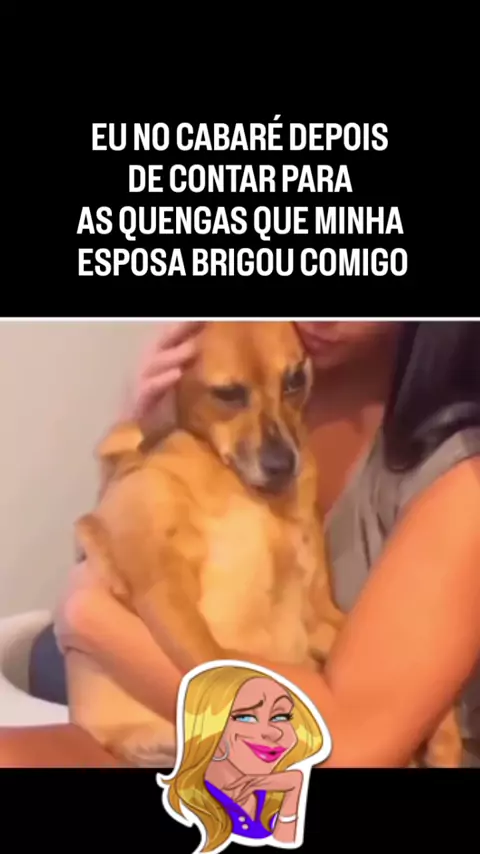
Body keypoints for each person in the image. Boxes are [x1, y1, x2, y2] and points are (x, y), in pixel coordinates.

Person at [0, 320, 479, 768]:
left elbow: (350, 750)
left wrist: (94, 624)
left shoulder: (460, 476)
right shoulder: (255, 371)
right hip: (186, 737)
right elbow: (123, 564)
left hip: (286, 761)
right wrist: (137, 433)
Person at [157, 660, 328, 850]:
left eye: (281, 717)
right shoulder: (187, 809)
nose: (273, 732)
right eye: (246, 717)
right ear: (208, 726)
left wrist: (293, 794)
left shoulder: (275, 795)